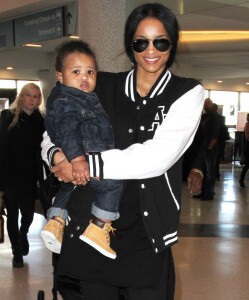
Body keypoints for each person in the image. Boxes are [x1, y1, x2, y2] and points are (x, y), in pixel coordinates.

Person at [41, 3, 204, 299]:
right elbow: (54, 126)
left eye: (161, 41)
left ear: (173, 43)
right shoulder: (101, 85)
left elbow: (158, 157)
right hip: (90, 227)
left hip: (146, 235)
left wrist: (84, 164)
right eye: (141, 41)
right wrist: (56, 155)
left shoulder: (187, 92)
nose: (150, 50)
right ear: (130, 44)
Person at [40, 40, 123, 259]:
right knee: (113, 185)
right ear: (60, 76)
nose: (84, 77)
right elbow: (66, 131)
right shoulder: (69, 100)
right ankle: (99, 226)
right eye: (76, 71)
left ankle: (56, 222)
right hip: (87, 156)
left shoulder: (70, 97)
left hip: (80, 158)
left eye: (90, 72)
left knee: (70, 187)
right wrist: (76, 160)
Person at [0, 83, 45, 268]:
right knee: (12, 214)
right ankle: (16, 252)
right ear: (21, 97)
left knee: (27, 214)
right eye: (29, 95)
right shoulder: (7, 117)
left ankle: (23, 233)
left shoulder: (41, 120)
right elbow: (1, 149)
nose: (32, 99)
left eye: (35, 96)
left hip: (29, 176)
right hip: (9, 175)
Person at [192, 98, 221, 200]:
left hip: (210, 148)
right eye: (204, 103)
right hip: (203, 147)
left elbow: (215, 134)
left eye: (207, 103)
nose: (205, 105)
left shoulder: (215, 117)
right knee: (203, 170)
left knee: (210, 171)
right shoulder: (205, 116)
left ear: (212, 105)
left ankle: (209, 193)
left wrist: (209, 147)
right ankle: (204, 191)